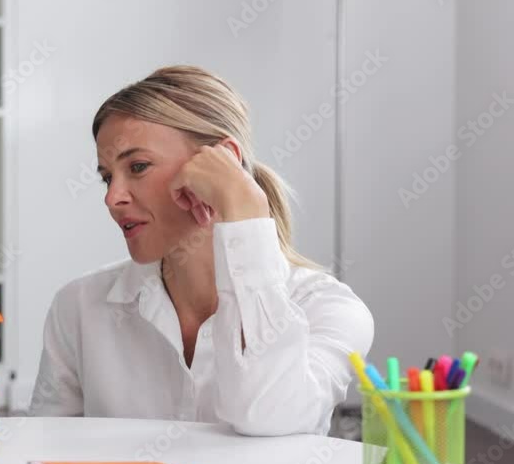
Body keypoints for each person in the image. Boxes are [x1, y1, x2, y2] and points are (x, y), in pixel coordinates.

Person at [29, 66, 374, 436]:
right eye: (107, 177)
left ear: (224, 161)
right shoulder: (78, 306)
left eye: (138, 167)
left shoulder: (328, 309)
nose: (113, 198)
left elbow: (268, 417)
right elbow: (43, 449)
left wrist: (245, 211)